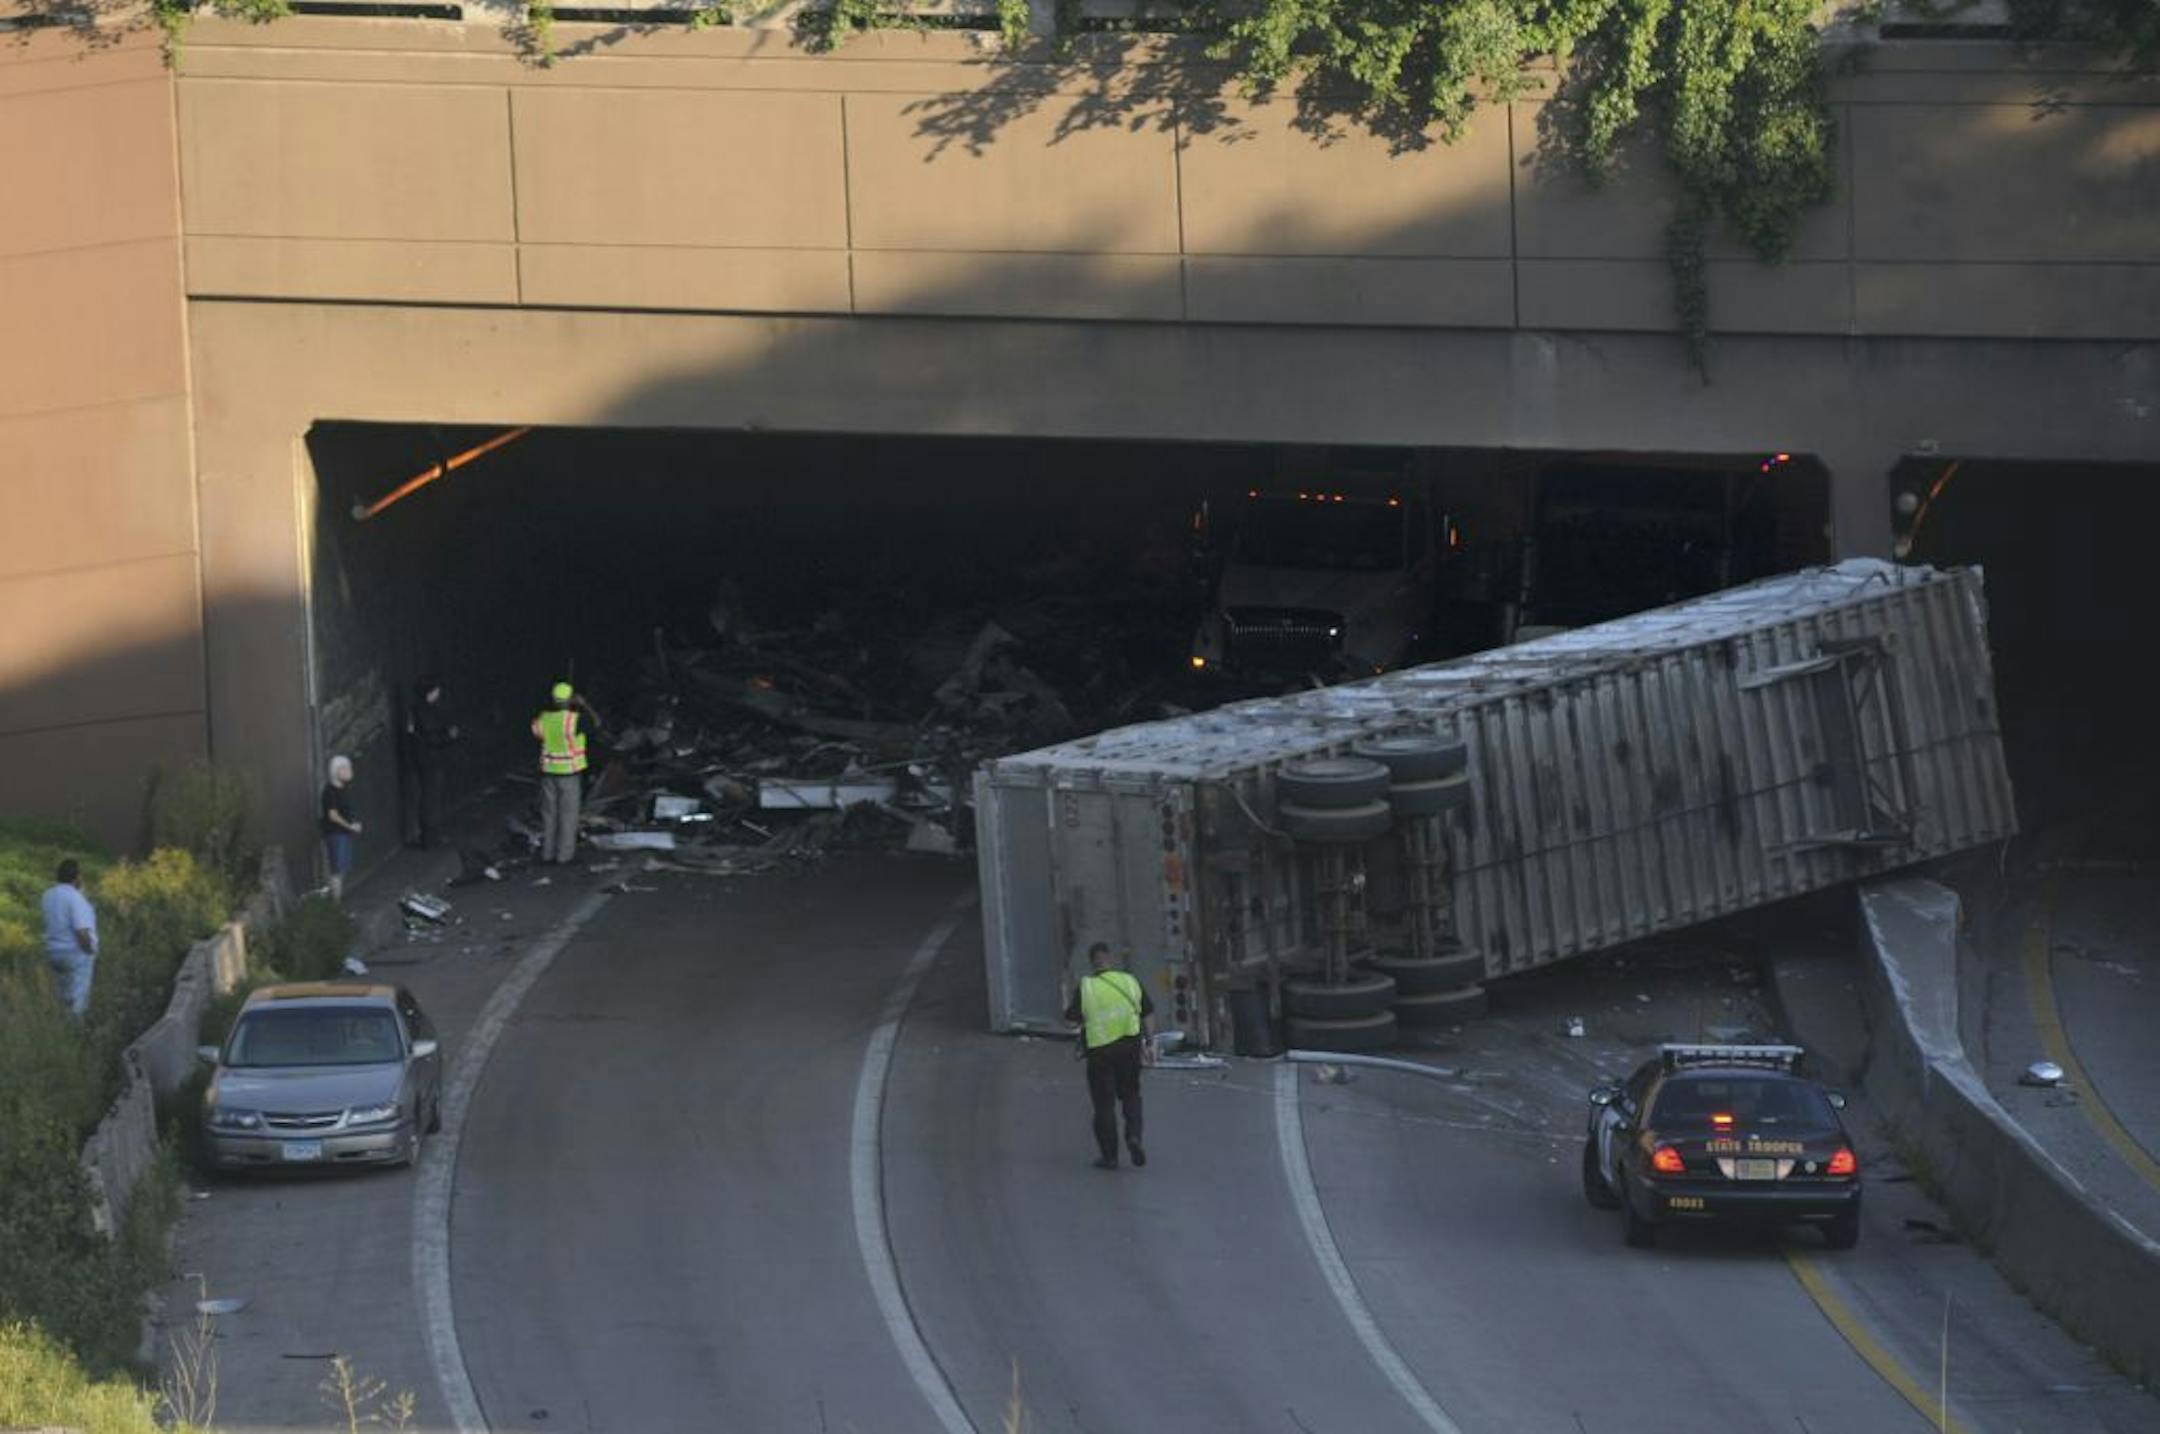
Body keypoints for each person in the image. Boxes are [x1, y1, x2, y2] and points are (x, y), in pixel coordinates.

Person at [1064, 942, 1154, 1170]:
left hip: (1100, 1052)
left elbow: (1071, 1018)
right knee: (1132, 1095)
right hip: (1130, 1047)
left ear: (1093, 961)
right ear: (1110, 959)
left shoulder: (1086, 988)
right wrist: (1150, 1042)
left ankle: (1110, 1157)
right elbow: (1148, 1012)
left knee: (1104, 1105)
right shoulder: (1130, 982)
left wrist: (1083, 1021)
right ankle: (1134, 1137)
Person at [531, 681, 601, 865]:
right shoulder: (575, 720)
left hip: (549, 773)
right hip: (569, 774)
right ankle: (564, 857)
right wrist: (585, 705)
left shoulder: (543, 719)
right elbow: (597, 724)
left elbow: (537, 733)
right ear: (571, 699)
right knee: (568, 816)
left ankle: (547, 854)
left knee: (549, 815)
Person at [402, 674, 459, 848]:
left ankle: (429, 836)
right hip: (430, 759)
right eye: (435, 690)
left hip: (421, 759)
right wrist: (448, 736)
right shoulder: (425, 711)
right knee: (431, 798)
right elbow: (430, 737)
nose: (439, 693)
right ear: (429, 692)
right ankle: (430, 838)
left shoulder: (415, 710)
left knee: (429, 797)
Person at [40, 859, 98, 1019]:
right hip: (75, 953)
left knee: (62, 994)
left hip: (53, 951)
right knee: (78, 997)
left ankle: (61, 1025)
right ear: (77, 877)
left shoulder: (48, 895)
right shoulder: (75, 898)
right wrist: (89, 950)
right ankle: (75, 1029)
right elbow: (81, 930)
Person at [320, 754, 362, 900]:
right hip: (336, 833)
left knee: (342, 870)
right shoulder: (330, 791)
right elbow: (333, 815)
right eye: (346, 768)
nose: (350, 771)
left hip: (343, 833)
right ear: (337, 770)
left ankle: (336, 902)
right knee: (337, 870)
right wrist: (350, 826)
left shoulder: (342, 789)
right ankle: (334, 905)